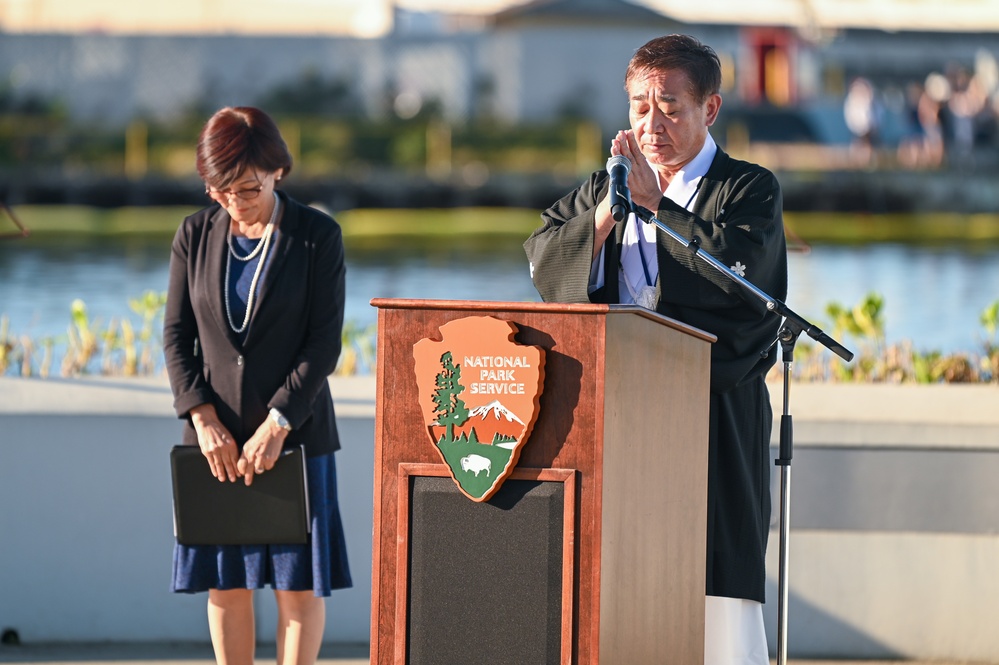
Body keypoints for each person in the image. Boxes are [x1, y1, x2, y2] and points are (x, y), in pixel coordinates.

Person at [524, 34, 787, 664]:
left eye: (669, 106)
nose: (651, 123)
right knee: (618, 587)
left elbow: (743, 286)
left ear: (710, 109)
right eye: (639, 106)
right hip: (618, 423)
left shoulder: (748, 188)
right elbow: (542, 259)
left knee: (713, 602)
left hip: (711, 422)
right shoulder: (607, 185)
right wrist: (609, 217)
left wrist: (657, 206)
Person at [163, 106, 351, 665]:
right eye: (218, 189)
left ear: (277, 171)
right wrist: (203, 418)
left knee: (296, 589)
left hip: (295, 436)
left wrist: (278, 422)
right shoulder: (193, 234)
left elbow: (324, 345)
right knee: (226, 586)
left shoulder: (318, 237)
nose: (231, 201)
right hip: (214, 445)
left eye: (245, 188)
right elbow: (175, 336)